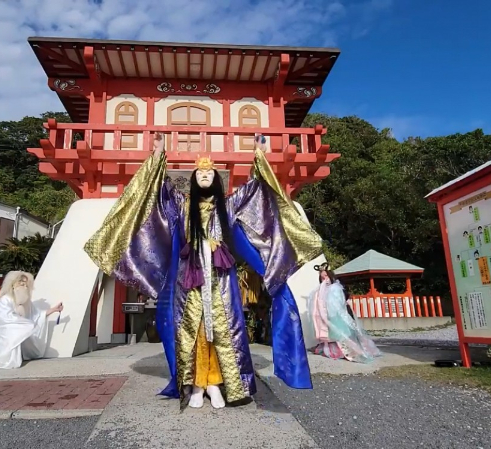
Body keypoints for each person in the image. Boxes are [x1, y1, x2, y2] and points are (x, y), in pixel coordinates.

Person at [85, 132, 320, 409]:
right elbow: (156, 191)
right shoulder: (183, 206)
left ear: (217, 181)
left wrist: (259, 157)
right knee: (193, 332)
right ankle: (195, 385)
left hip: (221, 279)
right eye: (200, 174)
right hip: (190, 277)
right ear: (193, 180)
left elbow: (256, 190)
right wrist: (159, 155)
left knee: (224, 331)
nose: (205, 176)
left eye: (210, 174)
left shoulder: (228, 206)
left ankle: (218, 384)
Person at [0, 271, 63, 369]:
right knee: (19, 330)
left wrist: (54, 310)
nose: (23, 286)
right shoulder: (5, 299)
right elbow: (4, 318)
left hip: (19, 326)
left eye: (26, 284)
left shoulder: (26, 302)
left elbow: (36, 315)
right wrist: (22, 323)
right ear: (13, 284)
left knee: (25, 328)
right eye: (21, 283)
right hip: (4, 329)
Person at [306, 263, 381, 363]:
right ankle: (331, 350)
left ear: (330, 276)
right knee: (331, 335)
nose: (325, 279)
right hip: (327, 315)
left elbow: (340, 302)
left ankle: (351, 351)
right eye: (322, 277)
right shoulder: (320, 290)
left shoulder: (336, 287)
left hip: (337, 314)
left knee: (342, 334)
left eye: (326, 276)